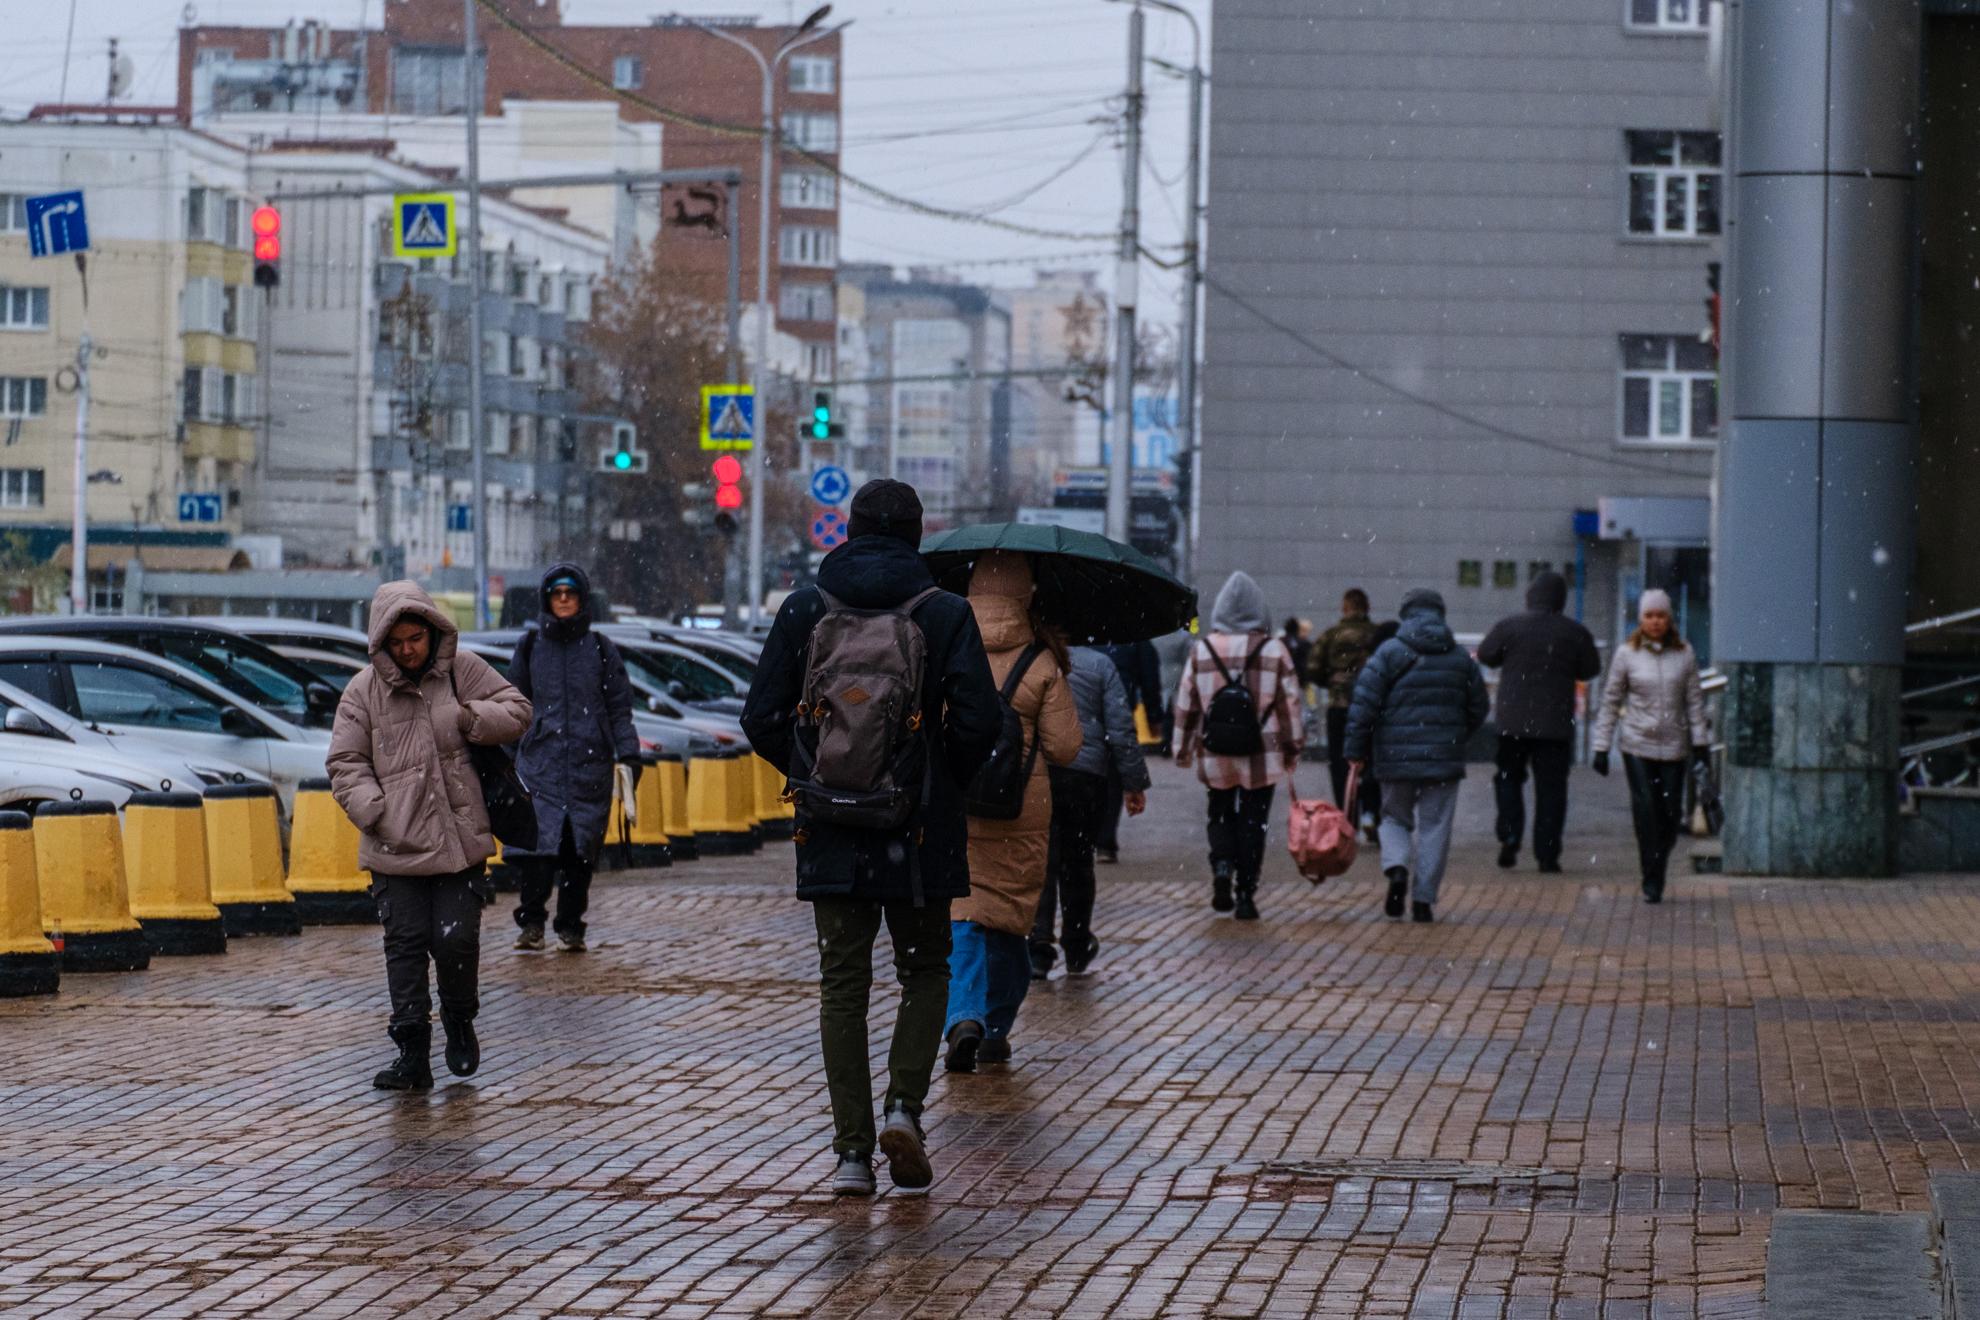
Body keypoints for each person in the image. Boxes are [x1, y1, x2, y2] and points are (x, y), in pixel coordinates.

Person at [740, 479, 1001, 1199]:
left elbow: (759, 716)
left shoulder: (804, 609)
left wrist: (816, 772)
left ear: (848, 533)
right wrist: (938, 777)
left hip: (830, 828)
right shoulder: (944, 613)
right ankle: (904, 1109)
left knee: (843, 987)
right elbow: (981, 721)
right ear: (917, 537)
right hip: (920, 829)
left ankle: (852, 1154)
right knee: (923, 971)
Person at [327, 580, 531, 1091]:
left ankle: (460, 1020)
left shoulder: (462, 671)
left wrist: (470, 717)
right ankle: (411, 1052)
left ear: (431, 630)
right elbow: (345, 762)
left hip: (459, 839)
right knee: (406, 944)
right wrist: (376, 810)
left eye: (415, 638)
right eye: (396, 642)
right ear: (380, 643)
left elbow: (518, 710)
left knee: (457, 940)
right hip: (395, 845)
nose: (407, 650)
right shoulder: (362, 692)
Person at [943, 552, 1081, 1073]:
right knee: (1010, 924)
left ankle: (964, 1015)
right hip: (1022, 812)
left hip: (961, 806)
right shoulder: (1041, 663)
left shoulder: (951, 649)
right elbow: (1066, 748)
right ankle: (997, 1027)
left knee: (963, 917)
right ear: (1027, 597)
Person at [507, 564, 641, 954]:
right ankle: (531, 923)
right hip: (540, 766)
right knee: (536, 850)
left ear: (581, 598)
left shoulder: (600, 648)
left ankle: (570, 925)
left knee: (578, 853)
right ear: (547, 599)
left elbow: (619, 708)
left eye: (570, 592)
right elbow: (513, 706)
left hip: (588, 767)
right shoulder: (530, 645)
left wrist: (628, 752)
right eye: (556, 592)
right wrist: (503, 758)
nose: (563, 599)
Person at [1344, 588, 1489, 924]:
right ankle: (1423, 900)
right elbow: (1479, 707)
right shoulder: (1458, 657)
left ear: (1405, 614)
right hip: (1443, 757)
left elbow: (1364, 704)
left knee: (1394, 817)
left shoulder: (1388, 652)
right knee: (1435, 826)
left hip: (1395, 757)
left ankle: (1396, 869)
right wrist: (1454, 735)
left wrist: (1355, 750)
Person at [1172, 571, 1304, 920]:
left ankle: (1221, 866)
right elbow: (1289, 704)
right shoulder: (1274, 649)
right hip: (1261, 751)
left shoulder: (1203, 649)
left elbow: (1186, 703)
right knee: (1253, 821)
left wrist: (1181, 748)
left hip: (1215, 749)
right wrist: (1293, 745)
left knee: (1218, 812)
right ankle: (1246, 892)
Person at [1028, 644, 1149, 981]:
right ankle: (1077, 943)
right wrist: (1133, 781)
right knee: (1078, 862)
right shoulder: (1100, 664)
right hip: (1087, 776)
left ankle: (1038, 945)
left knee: (1041, 860)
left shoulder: (1036, 657)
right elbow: (1121, 727)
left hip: (1040, 773)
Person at [1477, 570, 1602, 874]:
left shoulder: (1509, 627)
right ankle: (1547, 854)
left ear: (1530, 596)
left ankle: (1509, 834)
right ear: (1561, 599)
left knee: (1508, 779)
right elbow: (1590, 669)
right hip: (1555, 726)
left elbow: (1486, 655)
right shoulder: (1574, 632)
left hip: (1512, 723)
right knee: (1551, 790)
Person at [1590, 589, 1708, 904]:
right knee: (1646, 812)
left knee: (1669, 815)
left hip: (1674, 746)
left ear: (1669, 619)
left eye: (1660, 616)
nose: (1655, 622)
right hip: (1637, 745)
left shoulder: (1685, 654)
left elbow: (1695, 702)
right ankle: (1651, 878)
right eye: (1649, 616)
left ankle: (1659, 862)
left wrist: (1701, 744)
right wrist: (1601, 746)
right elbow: (1611, 699)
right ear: (1640, 619)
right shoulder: (1626, 654)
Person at [1307, 589, 1384, 835]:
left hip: (1339, 708)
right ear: (1367, 607)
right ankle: (1372, 812)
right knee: (1372, 760)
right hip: (1372, 709)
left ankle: (1348, 816)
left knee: (1340, 764)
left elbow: (1312, 669)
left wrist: (1333, 683)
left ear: (1345, 608)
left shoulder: (1331, 635)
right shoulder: (1377, 636)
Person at [1096, 637, 1166, 861]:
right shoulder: (1135, 637)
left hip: (1084, 712)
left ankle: (1087, 837)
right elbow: (1150, 678)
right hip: (1120, 710)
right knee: (1113, 778)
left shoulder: (1083, 629)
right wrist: (1154, 717)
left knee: (1087, 774)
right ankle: (1104, 841)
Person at [1282, 616, 1313, 681]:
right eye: (1303, 630)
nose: (1305, 633)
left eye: (1307, 631)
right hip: (1299, 679)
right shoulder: (1305, 644)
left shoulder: (1281, 642)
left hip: (1286, 678)